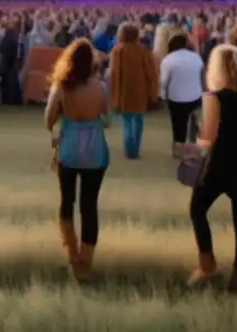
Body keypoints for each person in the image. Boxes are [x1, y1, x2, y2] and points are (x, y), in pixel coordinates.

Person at [179, 44, 237, 293]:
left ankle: (206, 264)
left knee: (198, 208)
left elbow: (207, 137)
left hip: (221, 162)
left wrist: (190, 148)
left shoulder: (213, 97)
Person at [45, 38, 110, 283]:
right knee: (89, 206)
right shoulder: (100, 87)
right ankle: (87, 261)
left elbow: (48, 120)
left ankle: (72, 253)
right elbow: (108, 118)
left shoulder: (62, 87)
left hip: (69, 149)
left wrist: (62, 120)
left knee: (67, 201)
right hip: (95, 151)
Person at [108, 22, 157, 160]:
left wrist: (113, 94)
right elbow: (151, 74)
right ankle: (135, 149)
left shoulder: (118, 51)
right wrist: (152, 92)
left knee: (127, 122)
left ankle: (130, 150)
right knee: (139, 120)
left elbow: (114, 75)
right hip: (140, 91)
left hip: (124, 92)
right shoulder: (144, 51)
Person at [159, 32, 205, 150]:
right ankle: (193, 144)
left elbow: (163, 81)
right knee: (194, 122)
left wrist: (162, 96)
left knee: (178, 124)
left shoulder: (167, 60)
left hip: (176, 98)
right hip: (196, 96)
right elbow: (202, 77)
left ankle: (178, 146)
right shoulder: (196, 57)